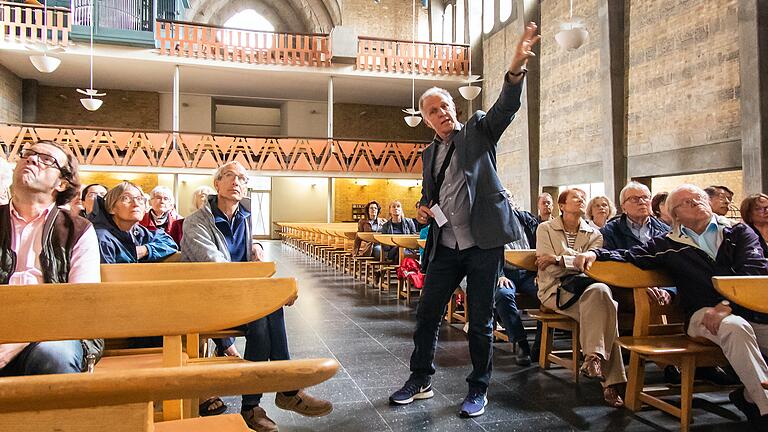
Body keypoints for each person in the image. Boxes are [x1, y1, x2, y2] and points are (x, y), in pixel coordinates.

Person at [389, 22, 540, 419]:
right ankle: (420, 380)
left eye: (444, 107)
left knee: (480, 322)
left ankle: (478, 388)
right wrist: (423, 206)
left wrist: (515, 68)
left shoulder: (478, 131)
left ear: (455, 108)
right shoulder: (427, 155)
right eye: (432, 111)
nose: (441, 114)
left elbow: (506, 107)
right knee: (427, 316)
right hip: (445, 246)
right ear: (426, 119)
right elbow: (430, 195)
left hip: (483, 246)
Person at [574, 184, 768, 430]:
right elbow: (631, 254)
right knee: (734, 327)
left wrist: (727, 304)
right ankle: (765, 410)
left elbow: (754, 269)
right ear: (675, 216)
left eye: (698, 198)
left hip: (748, 311)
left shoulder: (738, 232)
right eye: (686, 202)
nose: (696, 202)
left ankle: (749, 397)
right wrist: (596, 255)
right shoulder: (668, 243)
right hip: (703, 316)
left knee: (738, 324)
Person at [181, 161, 332, 432]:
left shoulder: (245, 216)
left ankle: (260, 404)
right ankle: (278, 394)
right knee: (268, 310)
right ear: (217, 183)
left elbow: (246, 249)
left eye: (242, 178)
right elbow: (214, 264)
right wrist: (265, 289)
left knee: (268, 315)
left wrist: (257, 248)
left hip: (243, 297)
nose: (236, 182)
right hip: (210, 299)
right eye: (229, 176)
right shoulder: (195, 222)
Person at [0, 141, 101, 377]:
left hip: (56, 332)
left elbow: (80, 302)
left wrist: (17, 343)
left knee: (53, 355)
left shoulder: (76, 229)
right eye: (28, 154)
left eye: (46, 160)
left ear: (61, 183)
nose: (32, 159)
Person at [535, 188, 626, 407]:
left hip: (585, 289)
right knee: (606, 312)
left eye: (583, 198)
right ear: (562, 205)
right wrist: (572, 261)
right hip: (554, 291)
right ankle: (611, 384)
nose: (582, 200)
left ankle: (593, 358)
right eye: (576, 198)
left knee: (602, 292)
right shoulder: (545, 228)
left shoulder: (595, 234)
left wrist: (558, 259)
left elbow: (592, 270)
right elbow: (548, 270)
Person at [495, 192, 539, 366]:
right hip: (506, 273)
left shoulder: (527, 220)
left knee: (548, 294)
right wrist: (499, 275)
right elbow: (488, 254)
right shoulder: (491, 224)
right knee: (503, 295)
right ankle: (521, 343)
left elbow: (540, 246)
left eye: (509, 198)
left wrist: (540, 273)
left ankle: (540, 345)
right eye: (501, 199)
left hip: (530, 273)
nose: (506, 201)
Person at [89, 182, 177, 264]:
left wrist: (145, 250)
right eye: (126, 198)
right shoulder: (102, 238)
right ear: (111, 208)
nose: (136, 203)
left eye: (139, 199)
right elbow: (107, 276)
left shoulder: (137, 231)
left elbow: (169, 243)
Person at [601, 182, 669, 250]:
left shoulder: (666, 231)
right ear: (623, 207)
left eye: (645, 197)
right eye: (634, 199)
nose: (642, 202)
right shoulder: (608, 232)